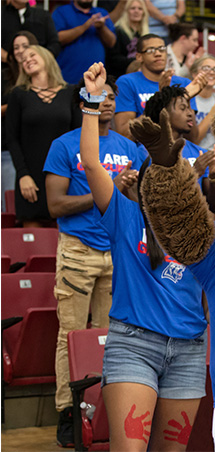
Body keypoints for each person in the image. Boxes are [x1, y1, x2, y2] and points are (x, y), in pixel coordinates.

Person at [79, 61, 207, 451]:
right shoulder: (125, 215)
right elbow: (90, 162)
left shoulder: (204, 232)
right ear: (149, 179)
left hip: (189, 349)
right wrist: (92, 102)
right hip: (134, 345)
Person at [43, 74, 141, 447]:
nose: (108, 101)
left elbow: (143, 198)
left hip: (117, 252)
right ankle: (67, 411)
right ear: (84, 100)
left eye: (112, 96)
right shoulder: (64, 146)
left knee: (109, 338)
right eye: (99, 95)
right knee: (70, 335)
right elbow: (55, 205)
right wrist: (107, 192)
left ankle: (97, 411)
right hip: (79, 249)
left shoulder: (130, 146)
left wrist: (127, 193)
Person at [7, 45, 81, 227]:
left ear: (46, 58)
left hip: (65, 175)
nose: (27, 60)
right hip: (30, 177)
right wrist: (23, 175)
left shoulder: (70, 92)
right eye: (23, 60)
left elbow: (78, 135)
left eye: (32, 55)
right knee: (35, 245)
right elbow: (12, 138)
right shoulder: (18, 94)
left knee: (67, 238)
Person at [114, 33, 204, 139]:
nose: (158, 53)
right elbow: (125, 133)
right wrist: (162, 100)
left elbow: (192, 137)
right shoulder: (127, 82)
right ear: (139, 57)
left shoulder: (184, 83)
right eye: (150, 50)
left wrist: (186, 100)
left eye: (161, 49)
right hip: (142, 150)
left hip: (177, 148)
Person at [2, 31, 38, 213]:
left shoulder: (40, 77)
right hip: (6, 147)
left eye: (25, 46)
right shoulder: (4, 76)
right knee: (7, 206)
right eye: (15, 47)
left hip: (34, 149)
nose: (20, 51)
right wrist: (13, 106)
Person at [52, 0, 116, 84]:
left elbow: (111, 42)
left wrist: (102, 27)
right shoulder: (61, 11)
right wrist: (86, 26)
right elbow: (58, 38)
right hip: (67, 77)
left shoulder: (101, 12)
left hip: (96, 78)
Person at [190, 55, 215, 150]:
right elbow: (193, 140)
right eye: (206, 68)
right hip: (194, 157)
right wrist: (213, 113)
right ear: (194, 74)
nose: (211, 72)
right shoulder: (187, 101)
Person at [106, 0, 149, 77]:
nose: (136, 11)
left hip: (140, 76)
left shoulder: (145, 34)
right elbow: (114, 58)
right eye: (133, 8)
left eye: (140, 9)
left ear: (144, 13)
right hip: (119, 75)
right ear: (126, 12)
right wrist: (137, 61)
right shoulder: (118, 31)